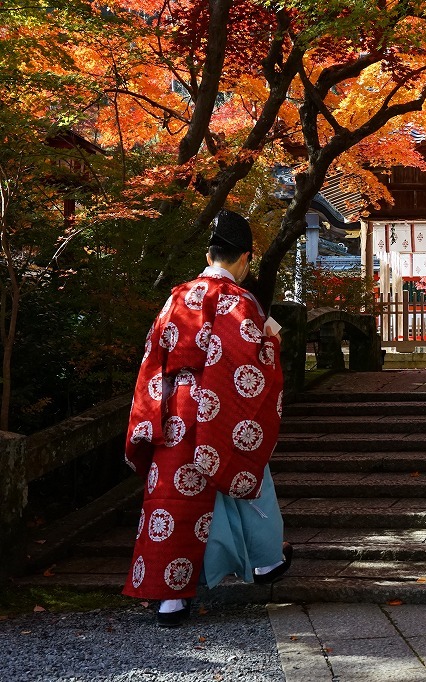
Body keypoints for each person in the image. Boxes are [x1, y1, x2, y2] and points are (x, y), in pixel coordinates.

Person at [123, 210, 290, 626]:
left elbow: (152, 357)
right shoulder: (238, 300)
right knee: (243, 469)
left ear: (209, 253)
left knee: (171, 499)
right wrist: (271, 341)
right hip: (217, 404)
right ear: (245, 258)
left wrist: (151, 412)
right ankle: (266, 563)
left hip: (172, 407)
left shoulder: (176, 296)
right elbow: (246, 359)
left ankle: (170, 601)